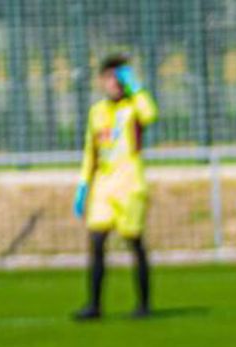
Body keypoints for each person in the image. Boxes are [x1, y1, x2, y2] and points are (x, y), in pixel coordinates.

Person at [72, 54, 157, 320]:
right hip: (103, 186)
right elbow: (91, 151)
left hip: (130, 184)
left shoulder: (134, 107)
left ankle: (143, 305)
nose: (114, 83)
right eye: (110, 77)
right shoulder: (97, 112)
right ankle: (94, 305)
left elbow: (150, 114)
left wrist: (136, 87)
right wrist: (84, 185)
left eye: (119, 78)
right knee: (96, 240)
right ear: (101, 81)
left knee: (134, 241)